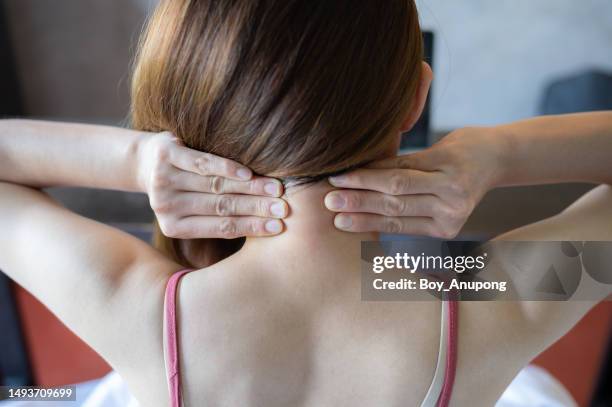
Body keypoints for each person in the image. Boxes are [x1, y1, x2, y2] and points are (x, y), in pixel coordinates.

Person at [0, 1, 610, 406]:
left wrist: (134, 162)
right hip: (400, 285)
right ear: (416, 96)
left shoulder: (137, 310)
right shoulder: (479, 304)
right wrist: (500, 152)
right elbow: (406, 279)